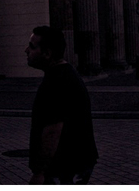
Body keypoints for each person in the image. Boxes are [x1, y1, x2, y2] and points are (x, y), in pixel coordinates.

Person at [26, 26, 95, 184]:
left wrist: (39, 172)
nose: (26, 50)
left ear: (48, 53)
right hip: (75, 163)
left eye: (31, 46)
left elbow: (52, 131)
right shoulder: (64, 74)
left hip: (64, 167)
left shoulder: (56, 82)